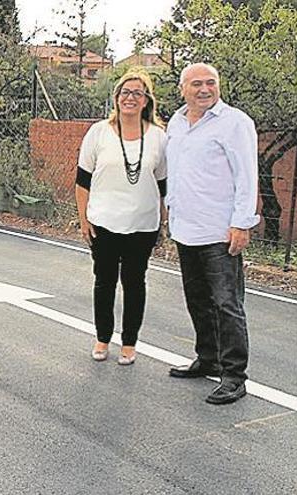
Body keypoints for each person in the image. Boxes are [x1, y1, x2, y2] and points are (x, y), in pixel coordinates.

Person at [165, 63, 258, 405]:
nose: (204, 89)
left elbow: (247, 176)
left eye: (211, 83)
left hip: (220, 231)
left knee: (227, 304)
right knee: (198, 301)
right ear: (182, 89)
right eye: (196, 84)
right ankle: (208, 358)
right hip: (186, 229)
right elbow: (175, 173)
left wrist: (242, 223)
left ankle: (234, 375)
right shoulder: (175, 123)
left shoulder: (235, 122)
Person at [75, 68, 167, 366]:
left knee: (135, 282)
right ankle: (103, 338)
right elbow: (82, 180)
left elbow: (164, 184)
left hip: (142, 224)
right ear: (116, 98)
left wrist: (163, 222)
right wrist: (84, 219)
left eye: (137, 93)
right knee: (104, 282)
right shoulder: (98, 132)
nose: (130, 98)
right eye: (124, 93)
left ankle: (129, 343)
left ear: (146, 101)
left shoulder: (158, 137)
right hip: (103, 222)